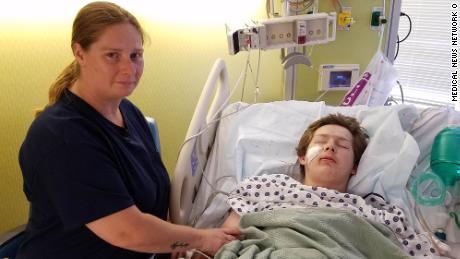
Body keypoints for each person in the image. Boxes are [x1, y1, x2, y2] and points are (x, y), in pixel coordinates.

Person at [18, 2, 239, 259]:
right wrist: (199, 239)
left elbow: (149, 203)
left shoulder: (128, 113)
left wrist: (176, 240)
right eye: (112, 55)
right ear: (79, 53)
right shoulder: (60, 136)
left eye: (136, 55)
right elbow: (126, 231)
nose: (129, 69)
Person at [221, 113, 438, 257]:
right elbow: (225, 240)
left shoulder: (377, 211)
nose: (330, 148)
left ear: (354, 166)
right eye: (321, 141)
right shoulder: (266, 186)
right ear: (303, 157)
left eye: (342, 145)